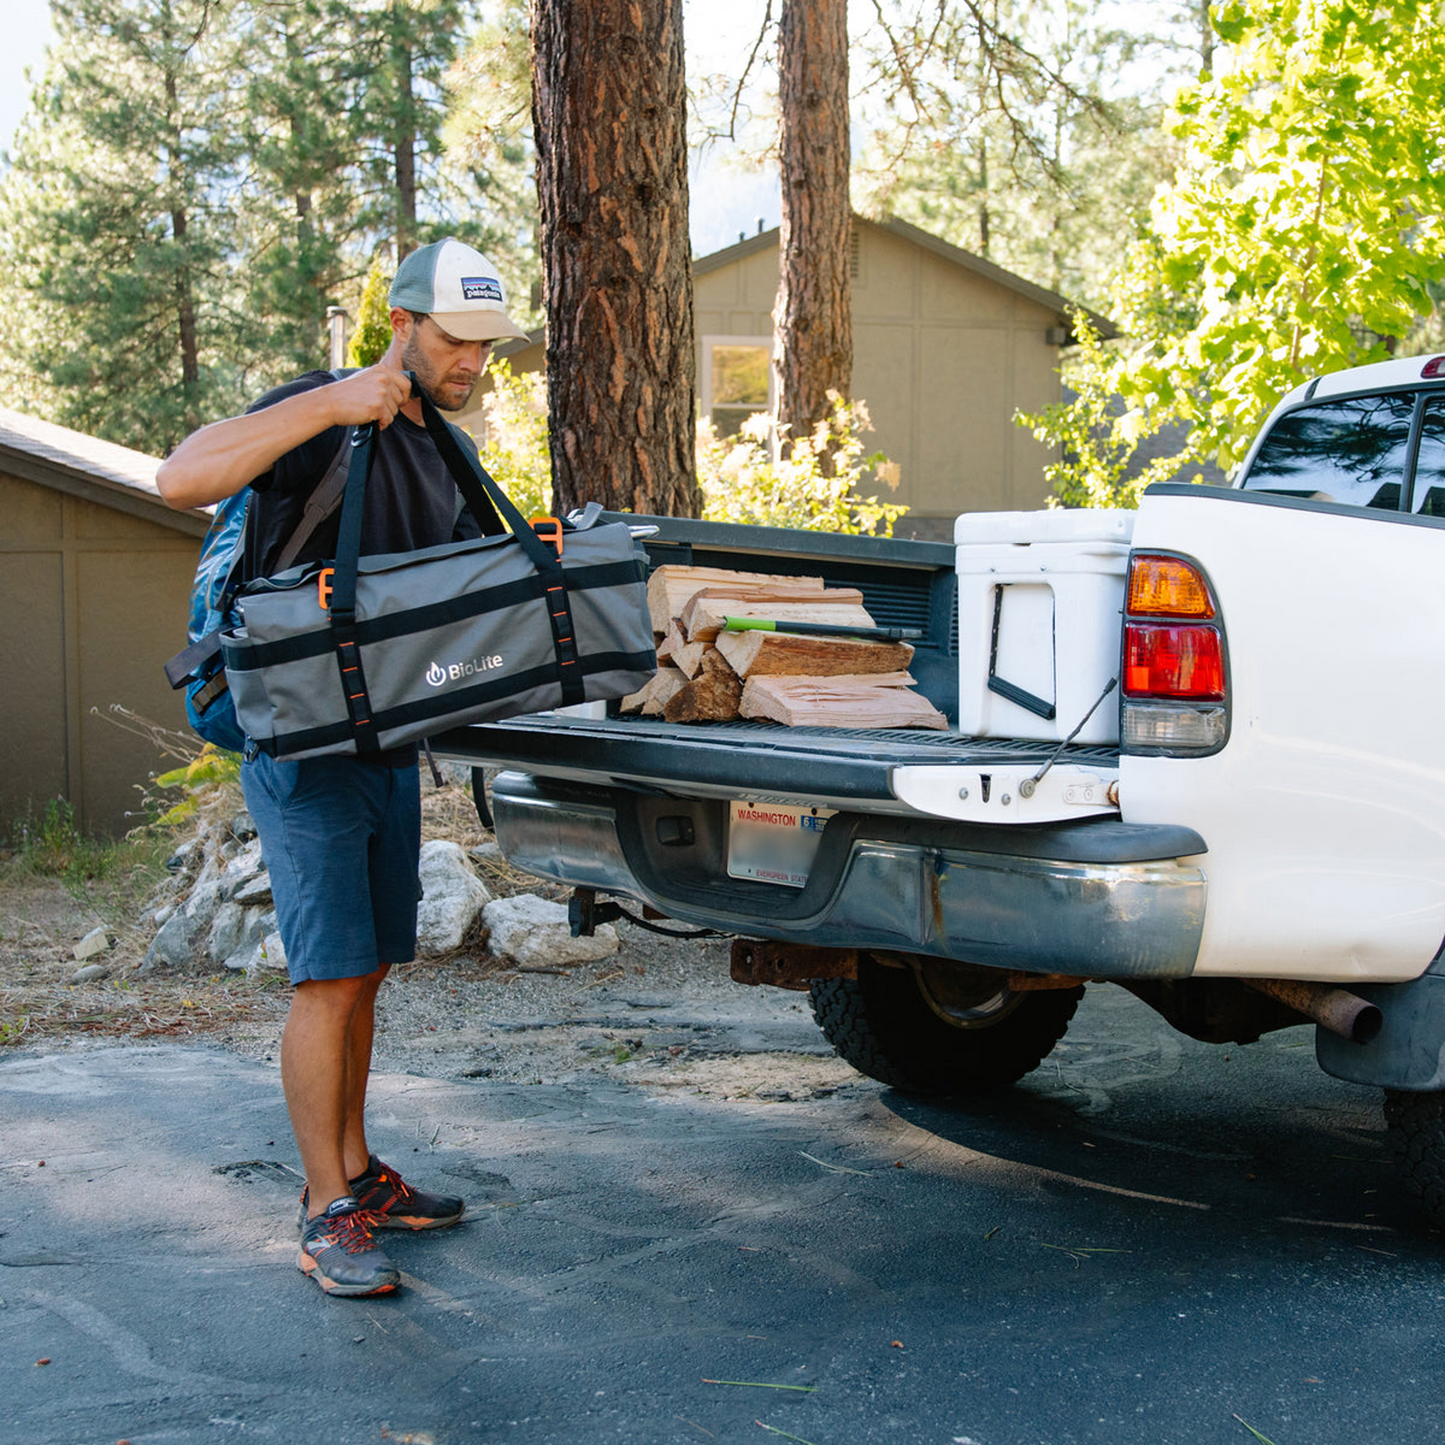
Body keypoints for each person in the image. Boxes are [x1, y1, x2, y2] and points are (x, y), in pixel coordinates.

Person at [157, 238, 529, 1297]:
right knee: (326, 977)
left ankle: (358, 1173)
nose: (471, 364)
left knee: (364, 966)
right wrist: (331, 405)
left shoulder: (438, 449)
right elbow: (182, 476)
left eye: (485, 347)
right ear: (403, 325)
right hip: (299, 741)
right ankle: (324, 1209)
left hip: (381, 743)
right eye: (454, 341)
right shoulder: (322, 408)